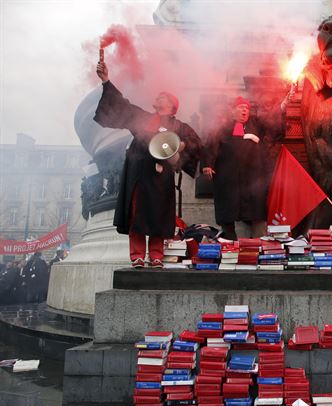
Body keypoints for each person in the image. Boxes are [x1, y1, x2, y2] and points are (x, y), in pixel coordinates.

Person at [95, 61, 202, 268]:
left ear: (172, 104)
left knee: (158, 215)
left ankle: (155, 256)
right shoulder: (143, 118)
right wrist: (106, 80)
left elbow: (195, 145)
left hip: (161, 178)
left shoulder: (179, 126)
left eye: (162, 96)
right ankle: (137, 256)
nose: (157, 97)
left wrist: (181, 145)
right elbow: (121, 105)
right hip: (139, 173)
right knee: (137, 214)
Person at [201, 95, 287, 240]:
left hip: (253, 177)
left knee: (257, 211)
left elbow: (271, 121)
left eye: (246, 108)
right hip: (227, 176)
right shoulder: (222, 126)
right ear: (232, 110)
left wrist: (282, 105)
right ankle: (229, 244)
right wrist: (207, 165)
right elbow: (211, 145)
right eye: (241, 107)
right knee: (227, 212)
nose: (244, 110)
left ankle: (259, 244)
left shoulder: (256, 123)